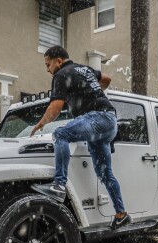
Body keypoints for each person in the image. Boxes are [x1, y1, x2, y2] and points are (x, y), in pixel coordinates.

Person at [30, 46, 131, 230]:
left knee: (60, 134)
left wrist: (40, 124)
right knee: (104, 173)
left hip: (98, 118)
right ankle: (121, 214)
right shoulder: (85, 69)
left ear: (58, 61)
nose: (47, 69)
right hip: (109, 122)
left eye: (48, 64)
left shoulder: (61, 75)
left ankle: (59, 185)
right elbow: (107, 78)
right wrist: (93, 93)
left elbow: (55, 108)